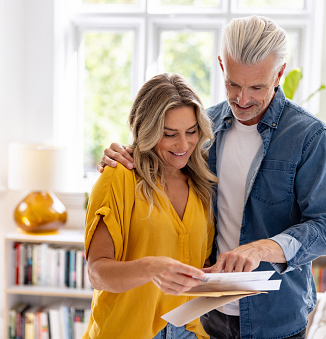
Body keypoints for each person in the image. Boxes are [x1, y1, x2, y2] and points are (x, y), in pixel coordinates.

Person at [97, 15, 326, 339]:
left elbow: (325, 227)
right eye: (233, 84)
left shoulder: (308, 136)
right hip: (206, 316)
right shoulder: (203, 128)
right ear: (221, 65)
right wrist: (124, 153)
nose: (242, 100)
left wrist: (261, 249)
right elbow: (163, 152)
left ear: (279, 74)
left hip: (276, 318)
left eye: (257, 87)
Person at [84, 73, 218, 339]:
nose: (184, 144)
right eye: (169, 134)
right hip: (127, 331)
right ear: (148, 131)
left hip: (189, 330)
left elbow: (195, 267)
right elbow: (97, 272)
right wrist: (151, 268)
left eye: (191, 132)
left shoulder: (202, 185)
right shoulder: (118, 176)